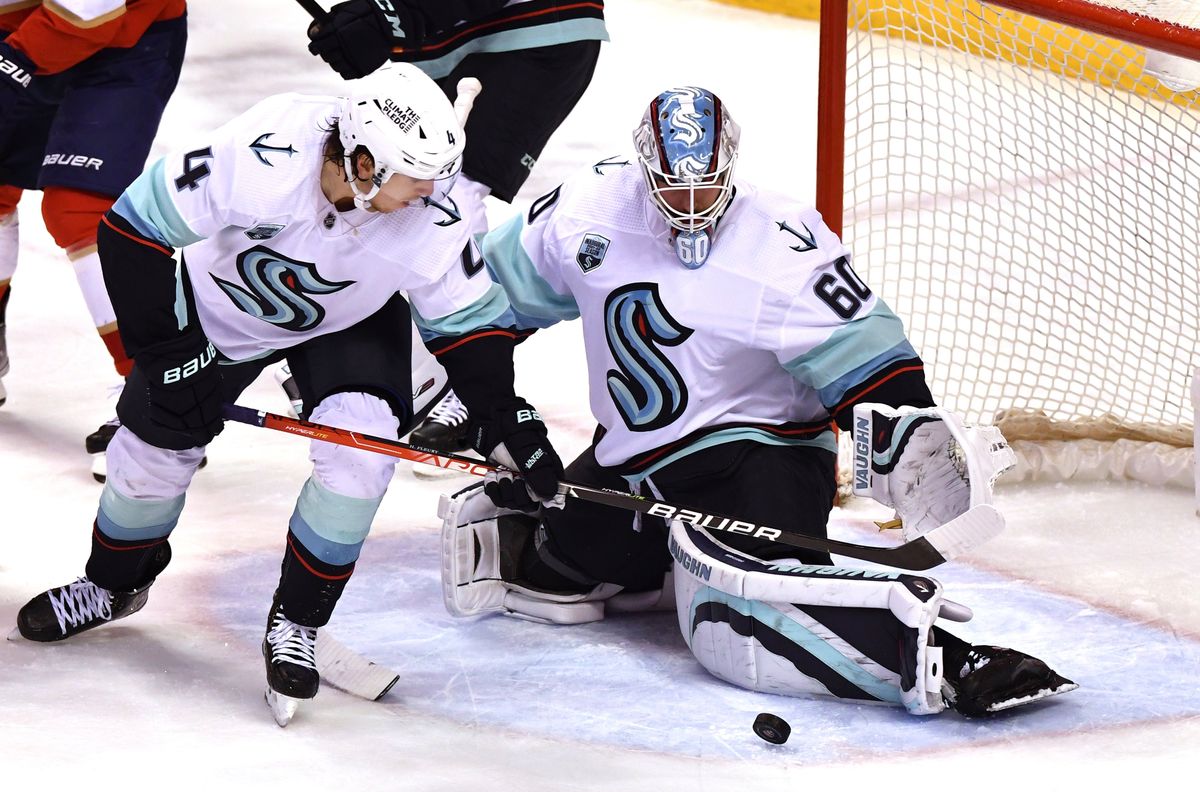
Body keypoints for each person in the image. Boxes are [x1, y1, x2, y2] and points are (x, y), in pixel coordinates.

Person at [439, 86, 1078, 718]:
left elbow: (867, 353)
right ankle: (667, 564)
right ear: (643, 168)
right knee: (544, 569)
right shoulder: (588, 206)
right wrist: (454, 388)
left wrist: (909, 434)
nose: (690, 207)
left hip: (759, 455)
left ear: (730, 167)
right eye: (672, 188)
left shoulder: (780, 239)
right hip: (636, 467)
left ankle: (957, 661)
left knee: (756, 607)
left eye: (705, 187)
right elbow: (476, 293)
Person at [13, 64, 563, 726]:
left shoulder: (433, 210)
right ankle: (112, 585)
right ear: (360, 161)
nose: (431, 192)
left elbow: (472, 332)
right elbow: (132, 228)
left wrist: (514, 423)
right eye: (414, 175)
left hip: (349, 322)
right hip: (218, 315)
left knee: (362, 455)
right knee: (150, 455)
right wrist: (164, 356)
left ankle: (297, 621)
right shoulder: (264, 150)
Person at [304, 0, 607, 452]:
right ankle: (372, 344)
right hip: (440, 34)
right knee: (387, 172)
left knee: (446, 188)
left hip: (533, 27)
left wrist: (393, 14)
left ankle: (458, 384)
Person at [0, 0, 188, 480]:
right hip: (18, 30)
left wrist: (15, 60)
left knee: (79, 208)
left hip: (125, 36)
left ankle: (155, 394)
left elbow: (89, 8)